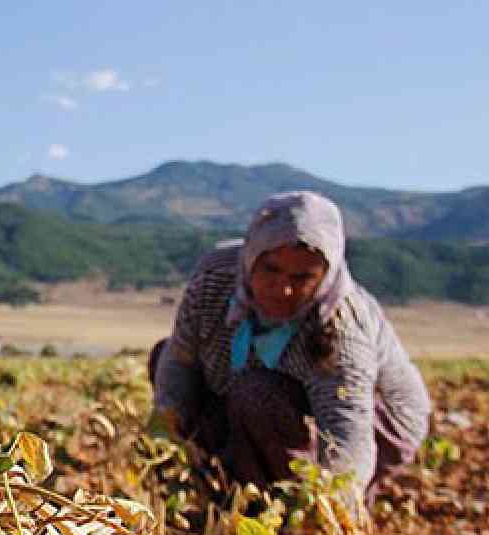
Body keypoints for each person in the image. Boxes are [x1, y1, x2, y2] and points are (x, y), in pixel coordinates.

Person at [150, 191, 430, 502]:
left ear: (325, 277)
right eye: (271, 269)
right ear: (251, 258)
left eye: (302, 277)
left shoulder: (340, 328)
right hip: (268, 395)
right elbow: (179, 362)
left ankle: (276, 503)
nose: (283, 289)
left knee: (256, 394)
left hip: (378, 421)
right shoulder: (213, 280)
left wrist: (330, 506)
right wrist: (165, 445)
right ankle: (226, 486)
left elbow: (347, 434)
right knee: (164, 357)